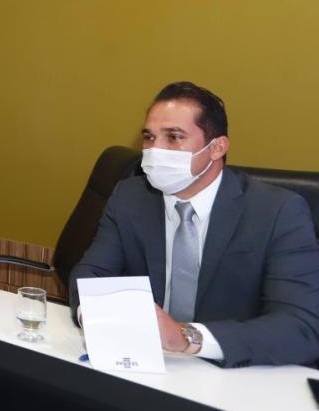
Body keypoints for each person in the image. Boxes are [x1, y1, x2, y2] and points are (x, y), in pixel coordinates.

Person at [69, 81, 319, 367]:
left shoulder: (278, 212)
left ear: (217, 148)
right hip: (143, 361)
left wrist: (187, 337)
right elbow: (91, 272)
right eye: (149, 138)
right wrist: (95, 315)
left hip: (235, 371)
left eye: (174, 137)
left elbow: (301, 326)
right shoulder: (130, 196)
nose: (155, 150)